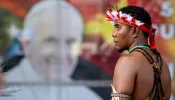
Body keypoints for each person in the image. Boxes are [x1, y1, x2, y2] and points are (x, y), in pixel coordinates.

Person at [3, 1, 102, 100]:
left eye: (70, 42)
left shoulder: (87, 97)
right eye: (51, 41)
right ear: (27, 44)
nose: (61, 54)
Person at [106, 5, 171, 99]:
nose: (113, 33)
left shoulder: (127, 61)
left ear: (135, 31)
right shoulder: (163, 65)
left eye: (118, 27)